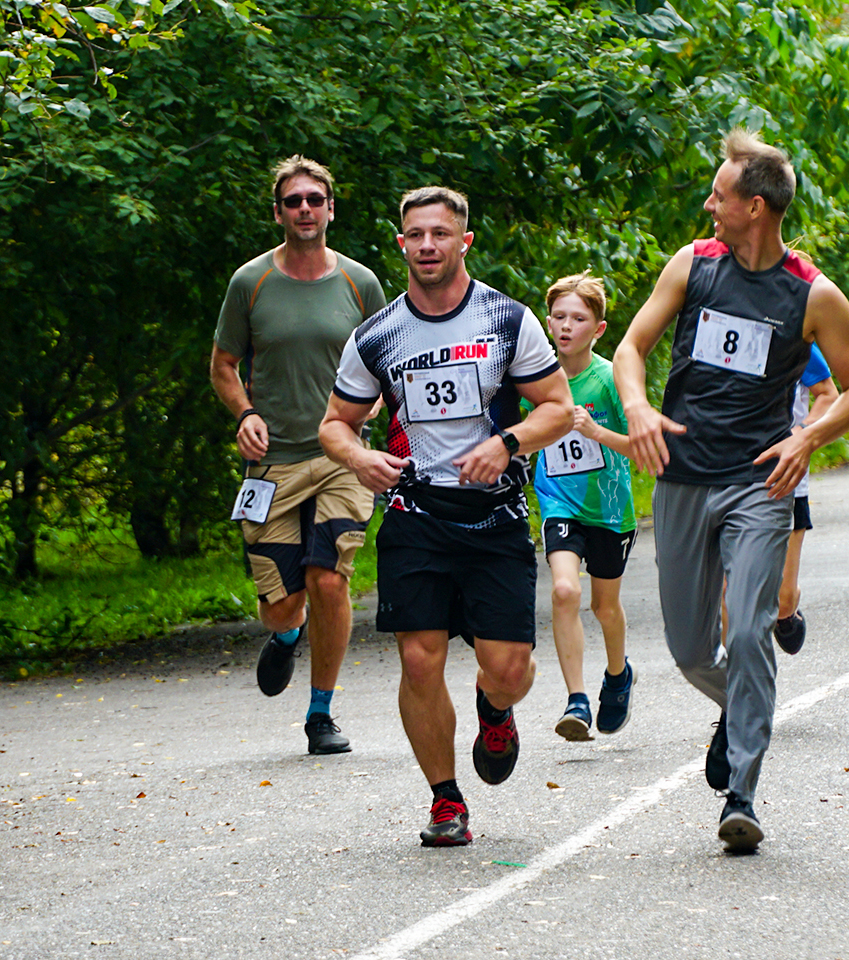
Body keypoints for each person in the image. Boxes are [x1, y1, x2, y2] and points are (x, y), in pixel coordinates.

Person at [614, 130, 849, 854]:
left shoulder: (812, 293)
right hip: (682, 477)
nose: (708, 204)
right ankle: (741, 711)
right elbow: (630, 347)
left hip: (760, 484)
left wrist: (807, 438)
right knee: (690, 646)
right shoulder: (692, 266)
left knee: (751, 628)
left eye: (719, 195)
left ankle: (743, 794)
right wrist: (636, 405)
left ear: (754, 207)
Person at [318, 186, 574, 848]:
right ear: (401, 244)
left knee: (510, 666)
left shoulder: (507, 318)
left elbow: (555, 407)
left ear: (464, 241)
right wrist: (359, 459)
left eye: (440, 233)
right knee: (420, 658)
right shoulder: (376, 335)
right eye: (415, 234)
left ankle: (496, 709)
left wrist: (506, 443)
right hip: (416, 514)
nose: (427, 244)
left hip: (494, 517)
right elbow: (335, 426)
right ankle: (444, 799)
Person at [210, 156, 386, 756]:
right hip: (274, 462)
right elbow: (223, 365)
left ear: (330, 208)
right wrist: (245, 414)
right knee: (281, 604)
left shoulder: (360, 284)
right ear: (279, 211)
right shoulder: (250, 283)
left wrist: (380, 419)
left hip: (343, 456)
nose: (305, 209)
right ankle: (288, 636)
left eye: (315, 199)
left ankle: (321, 714)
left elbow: (387, 365)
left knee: (329, 580)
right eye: (294, 201)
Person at [530, 273, 637, 743]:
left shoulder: (611, 376)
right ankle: (576, 700)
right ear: (547, 322)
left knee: (604, 606)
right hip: (558, 500)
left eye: (579, 318)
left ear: (598, 328)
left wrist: (596, 433)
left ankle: (618, 675)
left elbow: (641, 444)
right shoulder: (534, 377)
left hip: (610, 508)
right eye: (559, 317)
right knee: (564, 592)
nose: (566, 326)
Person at [774, 345, 838, 655]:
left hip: (787, 473)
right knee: (730, 594)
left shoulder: (796, 335)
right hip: (730, 471)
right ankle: (735, 692)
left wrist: (800, 430)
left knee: (782, 600)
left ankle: (787, 610)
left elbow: (828, 394)